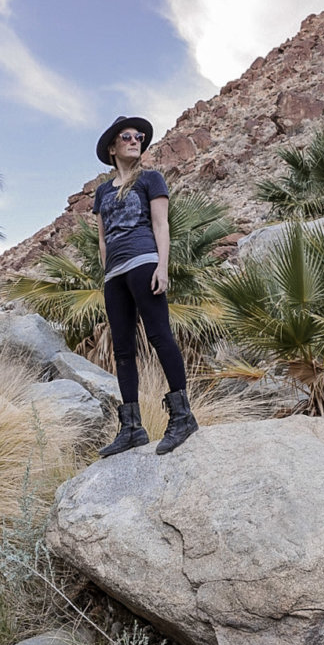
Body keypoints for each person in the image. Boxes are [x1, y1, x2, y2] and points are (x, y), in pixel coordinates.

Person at [93, 115, 197, 456]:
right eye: (127, 136)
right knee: (122, 350)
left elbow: (160, 224)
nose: (135, 140)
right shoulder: (102, 193)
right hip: (115, 275)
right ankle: (132, 428)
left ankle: (182, 417)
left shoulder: (151, 178)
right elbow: (103, 239)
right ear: (113, 147)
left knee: (159, 335)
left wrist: (162, 266)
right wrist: (107, 272)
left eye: (139, 136)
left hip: (144, 262)